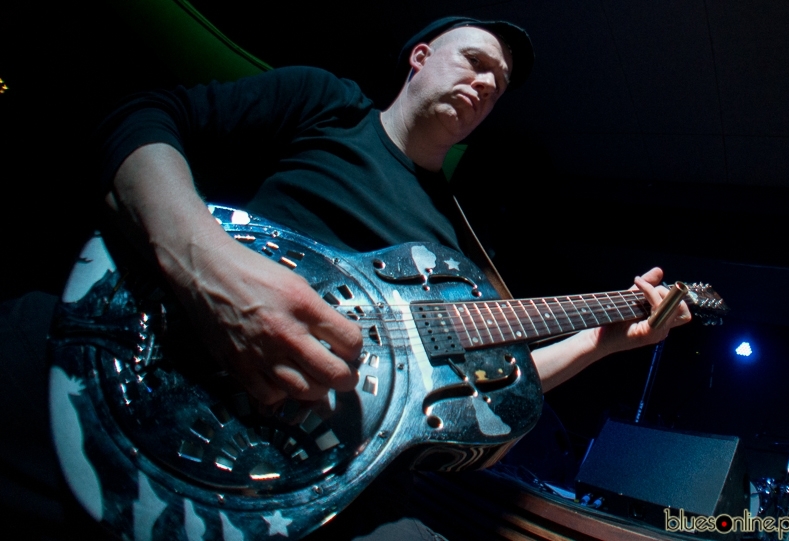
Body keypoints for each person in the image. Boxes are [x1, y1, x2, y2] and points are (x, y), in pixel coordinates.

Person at [4, 16, 691, 541]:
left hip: (302, 482)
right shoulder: (329, 104)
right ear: (420, 57)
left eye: (498, 86)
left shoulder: (456, 248)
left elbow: (476, 393)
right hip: (140, 363)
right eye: (476, 62)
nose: (486, 86)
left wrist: (603, 341)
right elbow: (143, 118)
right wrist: (205, 263)